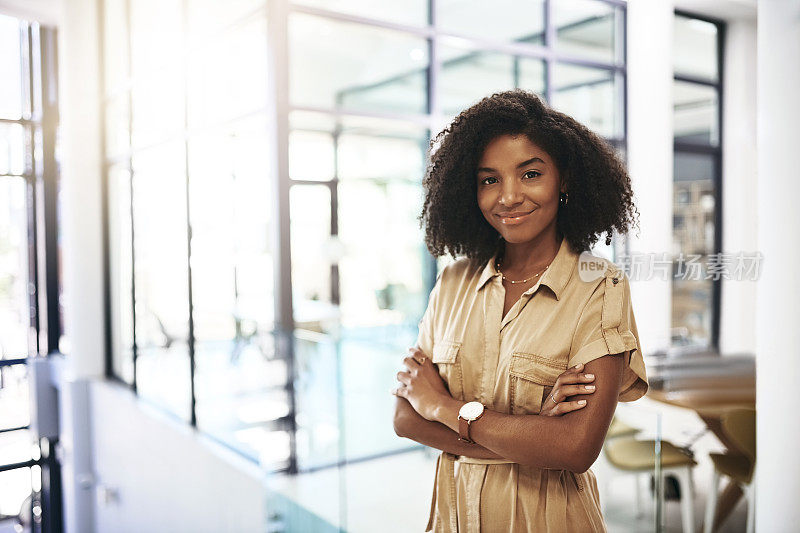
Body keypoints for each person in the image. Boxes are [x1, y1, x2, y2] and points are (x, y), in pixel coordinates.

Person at [391, 88, 648, 532]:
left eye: (530, 174)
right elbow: (404, 418)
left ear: (564, 180)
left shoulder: (599, 287)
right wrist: (528, 436)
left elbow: (574, 449)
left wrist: (440, 405)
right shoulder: (453, 284)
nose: (508, 197)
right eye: (489, 179)